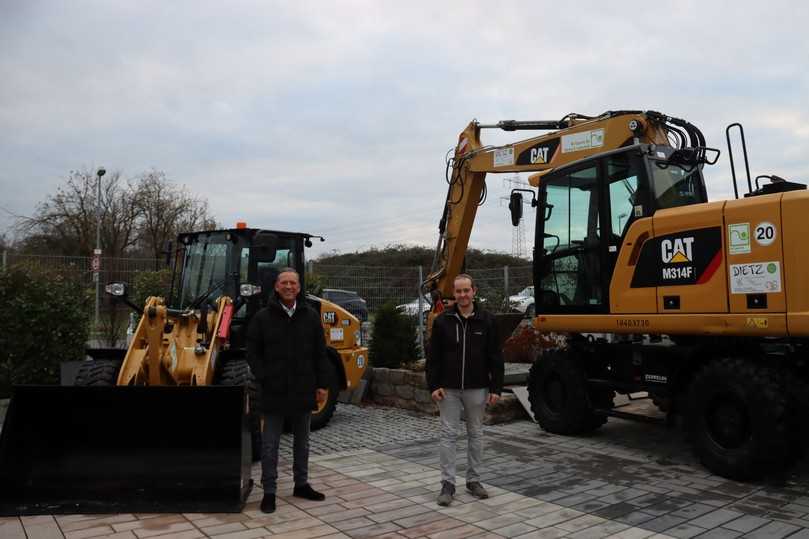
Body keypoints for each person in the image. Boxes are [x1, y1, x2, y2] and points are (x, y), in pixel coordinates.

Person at [246, 267, 329, 514]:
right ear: (276, 286)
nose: (289, 287)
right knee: (270, 444)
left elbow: (320, 353)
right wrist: (265, 376)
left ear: (299, 288)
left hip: (304, 387)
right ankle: (269, 491)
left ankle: (301, 484)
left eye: (293, 283)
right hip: (275, 389)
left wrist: (322, 384)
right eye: (285, 283)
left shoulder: (311, 316)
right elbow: (252, 352)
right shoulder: (262, 318)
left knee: (302, 441)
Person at [426, 273, 504, 506]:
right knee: (448, 435)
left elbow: (496, 357)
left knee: (476, 434)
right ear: (454, 294)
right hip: (448, 389)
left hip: (477, 387)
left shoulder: (487, 321)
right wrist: (433, 385)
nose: (462, 295)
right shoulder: (442, 321)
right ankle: (447, 484)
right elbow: (433, 358)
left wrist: (496, 388)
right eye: (458, 291)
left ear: (474, 291)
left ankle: (474, 481)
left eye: (466, 290)